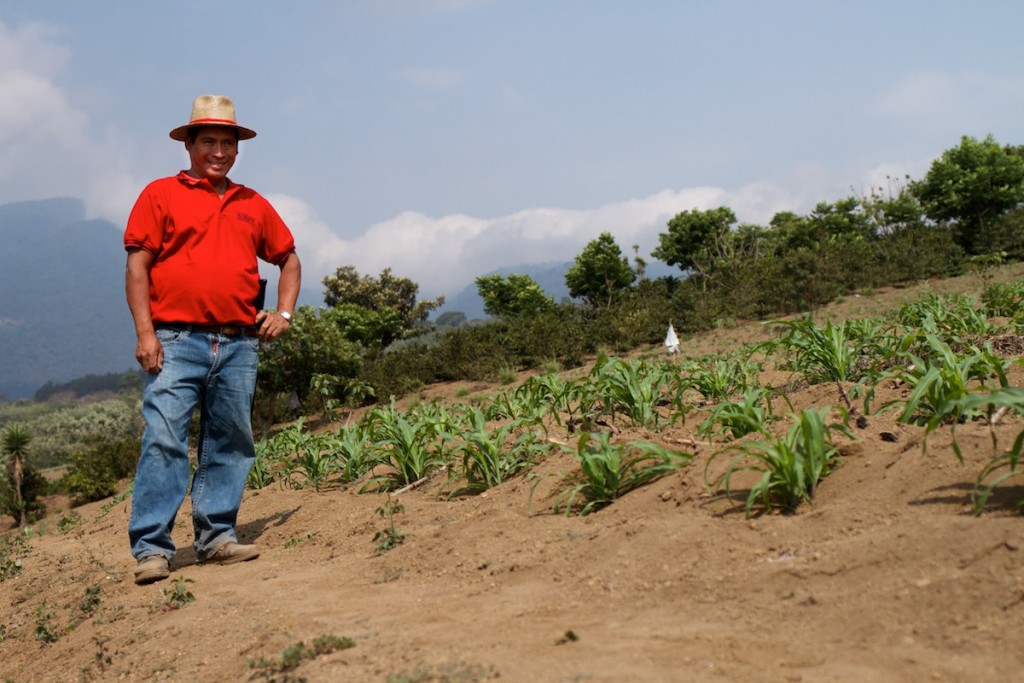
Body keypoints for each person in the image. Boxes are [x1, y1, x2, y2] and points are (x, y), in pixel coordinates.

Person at [124, 94, 301, 585]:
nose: (218, 151)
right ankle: (152, 549)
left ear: (237, 149)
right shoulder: (160, 194)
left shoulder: (253, 204)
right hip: (175, 339)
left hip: (240, 342)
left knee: (230, 441)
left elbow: (288, 258)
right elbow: (137, 265)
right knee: (164, 438)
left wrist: (283, 312)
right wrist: (146, 333)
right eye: (209, 142)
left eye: (227, 142)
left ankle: (216, 537)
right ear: (189, 146)